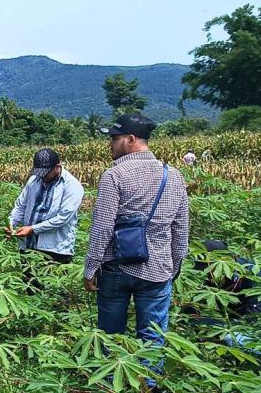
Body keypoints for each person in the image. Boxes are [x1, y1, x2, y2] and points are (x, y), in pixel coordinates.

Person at [83, 114, 189, 388]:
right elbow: (181, 230)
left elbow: (102, 227)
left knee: (109, 335)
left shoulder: (114, 175)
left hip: (116, 268)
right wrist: (174, 267)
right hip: (158, 269)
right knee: (153, 336)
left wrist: (90, 268)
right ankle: (148, 385)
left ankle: (109, 383)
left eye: (114, 139)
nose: (110, 144)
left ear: (131, 140)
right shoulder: (174, 176)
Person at [7, 149, 84, 262]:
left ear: (57, 167)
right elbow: (21, 205)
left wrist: (33, 229)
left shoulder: (72, 186)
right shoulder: (33, 180)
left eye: (45, 173)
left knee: (49, 278)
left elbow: (62, 218)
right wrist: (11, 223)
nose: (41, 176)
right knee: (28, 279)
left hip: (55, 249)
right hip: (28, 246)